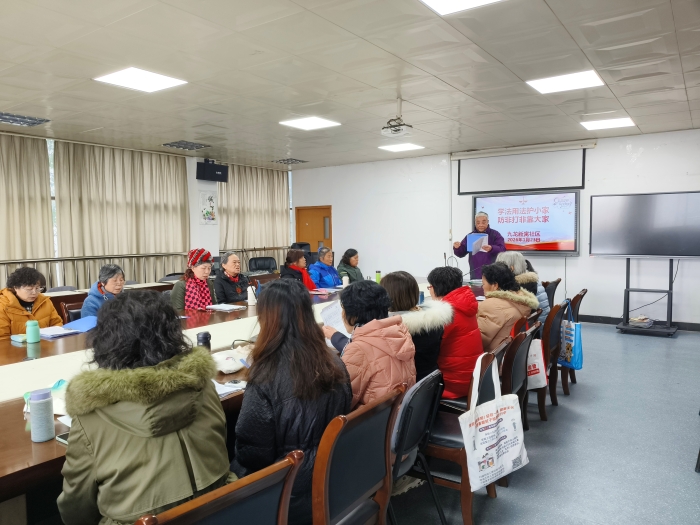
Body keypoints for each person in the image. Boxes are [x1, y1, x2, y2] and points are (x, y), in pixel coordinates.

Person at [57, 291, 232, 524]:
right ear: (172, 334)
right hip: (222, 512)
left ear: (106, 342)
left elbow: (76, 508)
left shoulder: (90, 416)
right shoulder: (204, 386)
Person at [232, 279, 351, 525]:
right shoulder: (334, 362)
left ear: (267, 319)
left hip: (288, 491)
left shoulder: (265, 375)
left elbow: (252, 455)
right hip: (332, 477)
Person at [324, 271, 453, 382]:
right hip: (422, 388)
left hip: (403, 388)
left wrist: (336, 337)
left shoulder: (393, 330)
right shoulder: (432, 320)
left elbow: (365, 352)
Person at [336, 280, 416, 409]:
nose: (342, 314)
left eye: (343, 309)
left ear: (354, 316)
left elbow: (343, 401)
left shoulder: (359, 349)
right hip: (398, 414)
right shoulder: (400, 333)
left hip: (373, 418)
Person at [426, 266, 483, 399]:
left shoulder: (446, 313)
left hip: (453, 383)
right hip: (472, 376)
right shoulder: (464, 304)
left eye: (430, 287)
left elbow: (431, 348)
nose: (430, 290)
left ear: (437, 287)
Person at [477, 262, 540, 352]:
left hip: (491, 356)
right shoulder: (519, 299)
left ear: (495, 285)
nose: (482, 287)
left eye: (483, 284)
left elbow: (478, 341)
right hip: (507, 353)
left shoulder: (492, 306)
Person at [0, 267, 62, 340]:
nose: (34, 293)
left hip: (46, 344)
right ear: (16, 287)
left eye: (37, 288)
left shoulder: (45, 301)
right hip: (16, 346)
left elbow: (57, 325)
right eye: (29, 289)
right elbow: (2, 338)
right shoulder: (3, 305)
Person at [496, 252, 550, 323]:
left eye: (499, 267)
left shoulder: (519, 287)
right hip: (538, 324)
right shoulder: (530, 280)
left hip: (533, 326)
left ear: (511, 268)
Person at [453, 211, 506, 279]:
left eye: (483, 222)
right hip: (475, 273)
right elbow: (461, 253)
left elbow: (502, 249)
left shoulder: (495, 234)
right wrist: (457, 248)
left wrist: (492, 248)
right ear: (475, 223)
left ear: (488, 222)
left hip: (492, 272)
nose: (480, 225)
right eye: (478, 223)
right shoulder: (470, 236)